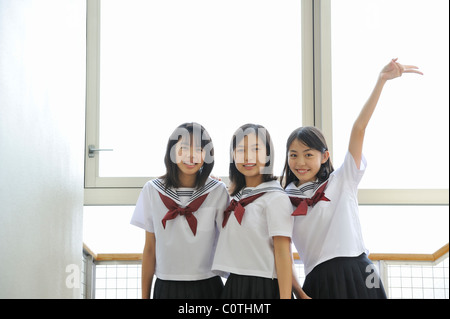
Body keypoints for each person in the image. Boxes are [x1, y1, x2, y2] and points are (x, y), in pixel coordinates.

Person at [281, 59, 423, 299]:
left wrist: (381, 81)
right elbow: (281, 252)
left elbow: (359, 128)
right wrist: (299, 293)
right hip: (318, 279)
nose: (300, 162)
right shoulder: (283, 198)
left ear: (325, 156)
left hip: (359, 271)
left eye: (308, 154)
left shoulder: (342, 180)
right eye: (293, 155)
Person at [130, 122, 230, 299]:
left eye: (199, 149)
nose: (191, 155)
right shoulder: (152, 190)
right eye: (183, 148)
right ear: (171, 151)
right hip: (166, 285)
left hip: (208, 284)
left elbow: (229, 242)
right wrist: (144, 296)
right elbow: (150, 249)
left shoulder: (217, 191)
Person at [212, 123, 296, 299]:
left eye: (256, 149)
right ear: (233, 155)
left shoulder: (276, 197)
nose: (248, 156)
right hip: (234, 286)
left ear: (267, 154)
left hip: (262, 287)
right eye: (241, 150)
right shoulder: (235, 197)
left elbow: (283, 254)